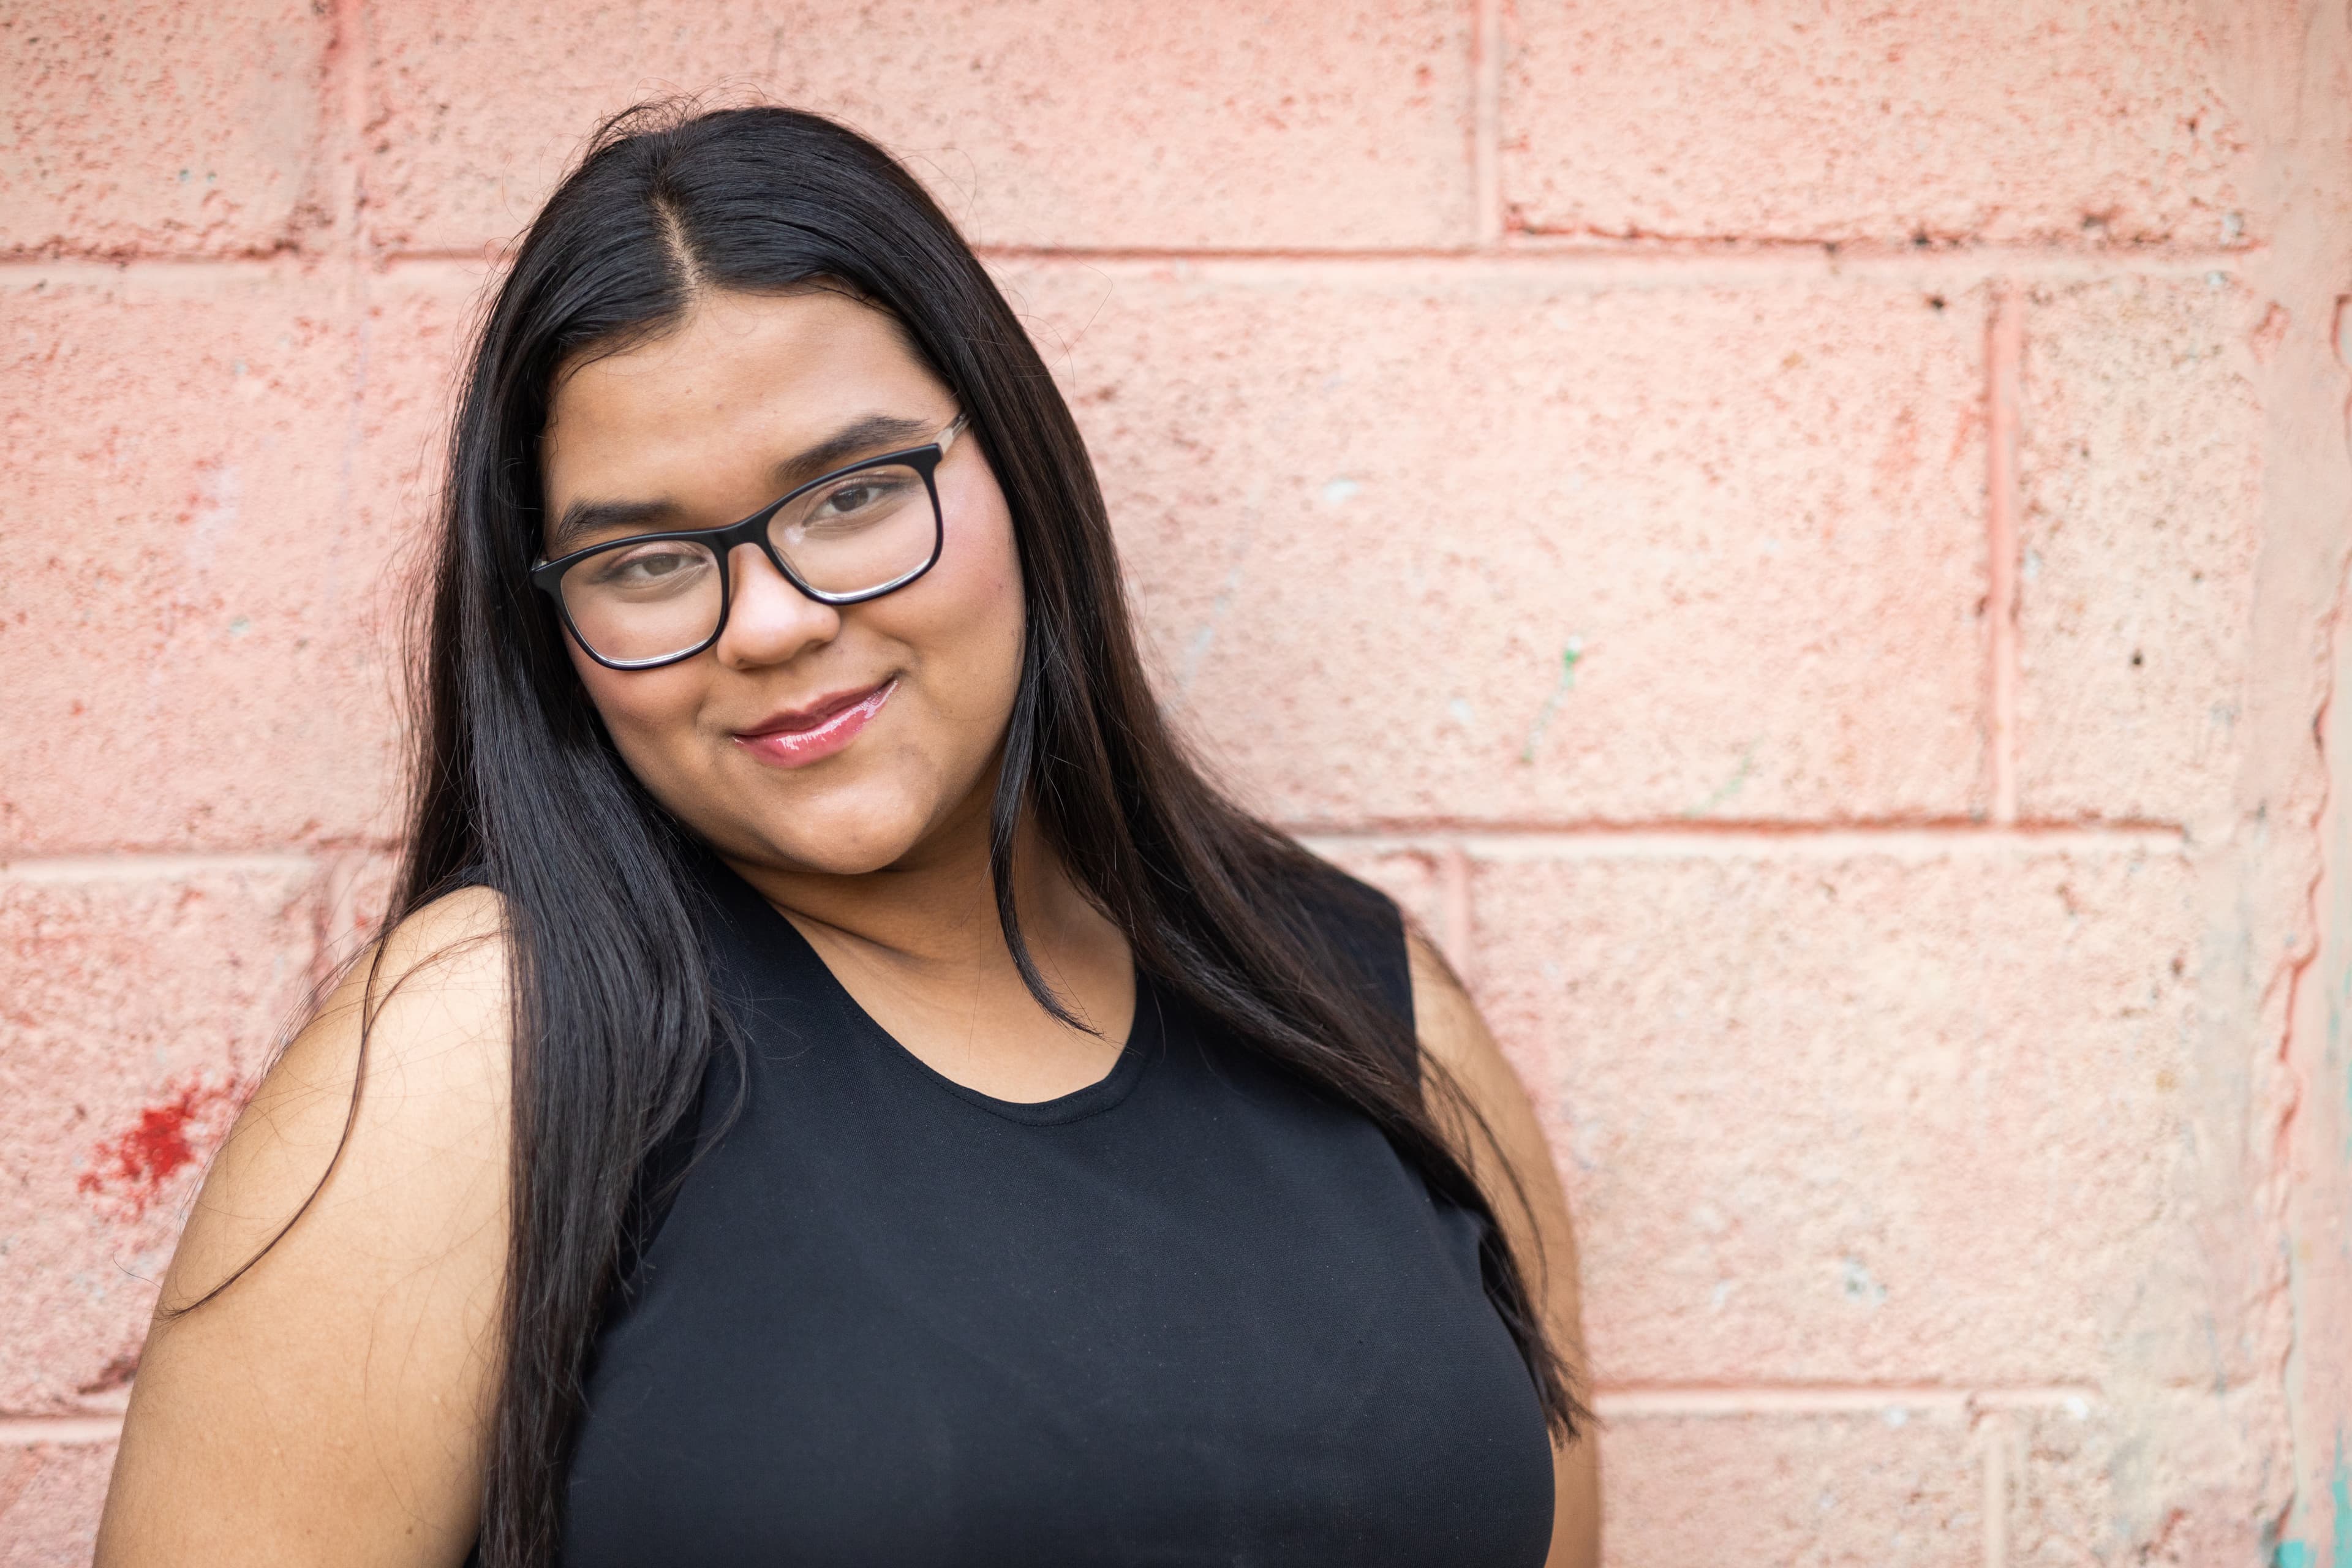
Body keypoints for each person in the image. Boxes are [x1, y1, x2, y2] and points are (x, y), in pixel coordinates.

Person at [94, 104, 1600, 1567]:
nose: (772, 621)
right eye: (644, 559)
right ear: (549, 620)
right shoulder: (478, 1053)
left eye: (855, 491)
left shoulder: (1370, 1007)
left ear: (1014, 461)